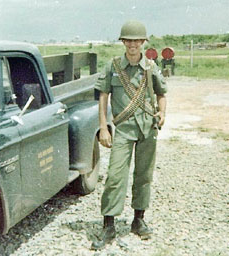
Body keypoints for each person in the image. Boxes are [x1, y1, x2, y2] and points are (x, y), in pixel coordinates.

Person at [91, 20, 167, 250]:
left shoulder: (151, 67)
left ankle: (138, 219)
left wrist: (162, 113)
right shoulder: (112, 66)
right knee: (115, 176)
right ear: (123, 42)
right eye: (128, 40)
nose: (133, 45)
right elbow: (103, 97)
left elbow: (162, 93)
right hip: (123, 129)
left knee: (144, 175)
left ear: (143, 42)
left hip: (147, 128)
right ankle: (108, 225)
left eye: (137, 40)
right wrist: (103, 128)